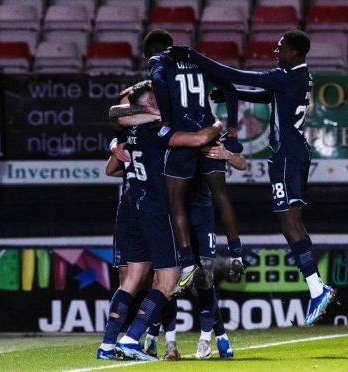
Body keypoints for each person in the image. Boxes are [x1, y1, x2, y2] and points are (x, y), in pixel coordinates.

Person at [168, 30, 335, 326]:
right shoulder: (299, 77)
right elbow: (260, 93)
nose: (276, 50)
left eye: (281, 47)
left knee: (288, 221)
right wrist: (230, 91)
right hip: (296, 153)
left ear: (294, 53)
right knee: (291, 219)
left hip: (286, 156)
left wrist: (196, 58)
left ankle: (316, 288)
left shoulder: (286, 76)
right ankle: (316, 286)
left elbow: (241, 76)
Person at [97, 80, 222, 361]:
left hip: (138, 211)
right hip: (159, 212)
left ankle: (106, 345)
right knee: (169, 279)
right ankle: (131, 340)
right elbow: (200, 139)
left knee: (131, 279)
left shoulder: (133, 132)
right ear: (152, 103)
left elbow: (116, 124)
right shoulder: (159, 131)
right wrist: (216, 123)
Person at [142, 30, 245, 292]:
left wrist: (166, 119)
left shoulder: (159, 62)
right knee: (221, 195)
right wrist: (232, 128)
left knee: (175, 199)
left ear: (151, 52)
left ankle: (187, 264)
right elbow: (230, 88)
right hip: (209, 128)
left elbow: (159, 83)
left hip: (183, 132)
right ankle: (236, 253)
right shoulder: (198, 60)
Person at [144, 138, 245, 360]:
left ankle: (206, 340)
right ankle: (169, 342)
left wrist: (227, 154)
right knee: (168, 280)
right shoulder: (171, 140)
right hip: (174, 218)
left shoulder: (211, 144)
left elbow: (242, 163)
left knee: (204, 280)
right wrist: (116, 143)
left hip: (202, 217)